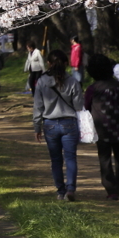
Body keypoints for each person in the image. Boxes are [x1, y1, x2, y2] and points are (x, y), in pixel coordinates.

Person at [34, 49, 83, 201]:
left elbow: (38, 107)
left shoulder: (42, 81)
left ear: (48, 63)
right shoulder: (73, 82)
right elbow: (78, 106)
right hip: (69, 123)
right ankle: (71, 189)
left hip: (50, 124)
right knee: (70, 158)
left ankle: (60, 191)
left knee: (56, 159)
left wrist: (37, 126)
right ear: (66, 63)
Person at [84, 55, 119, 200]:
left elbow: (86, 106)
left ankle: (111, 189)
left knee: (104, 159)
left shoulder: (92, 88)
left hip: (101, 129)